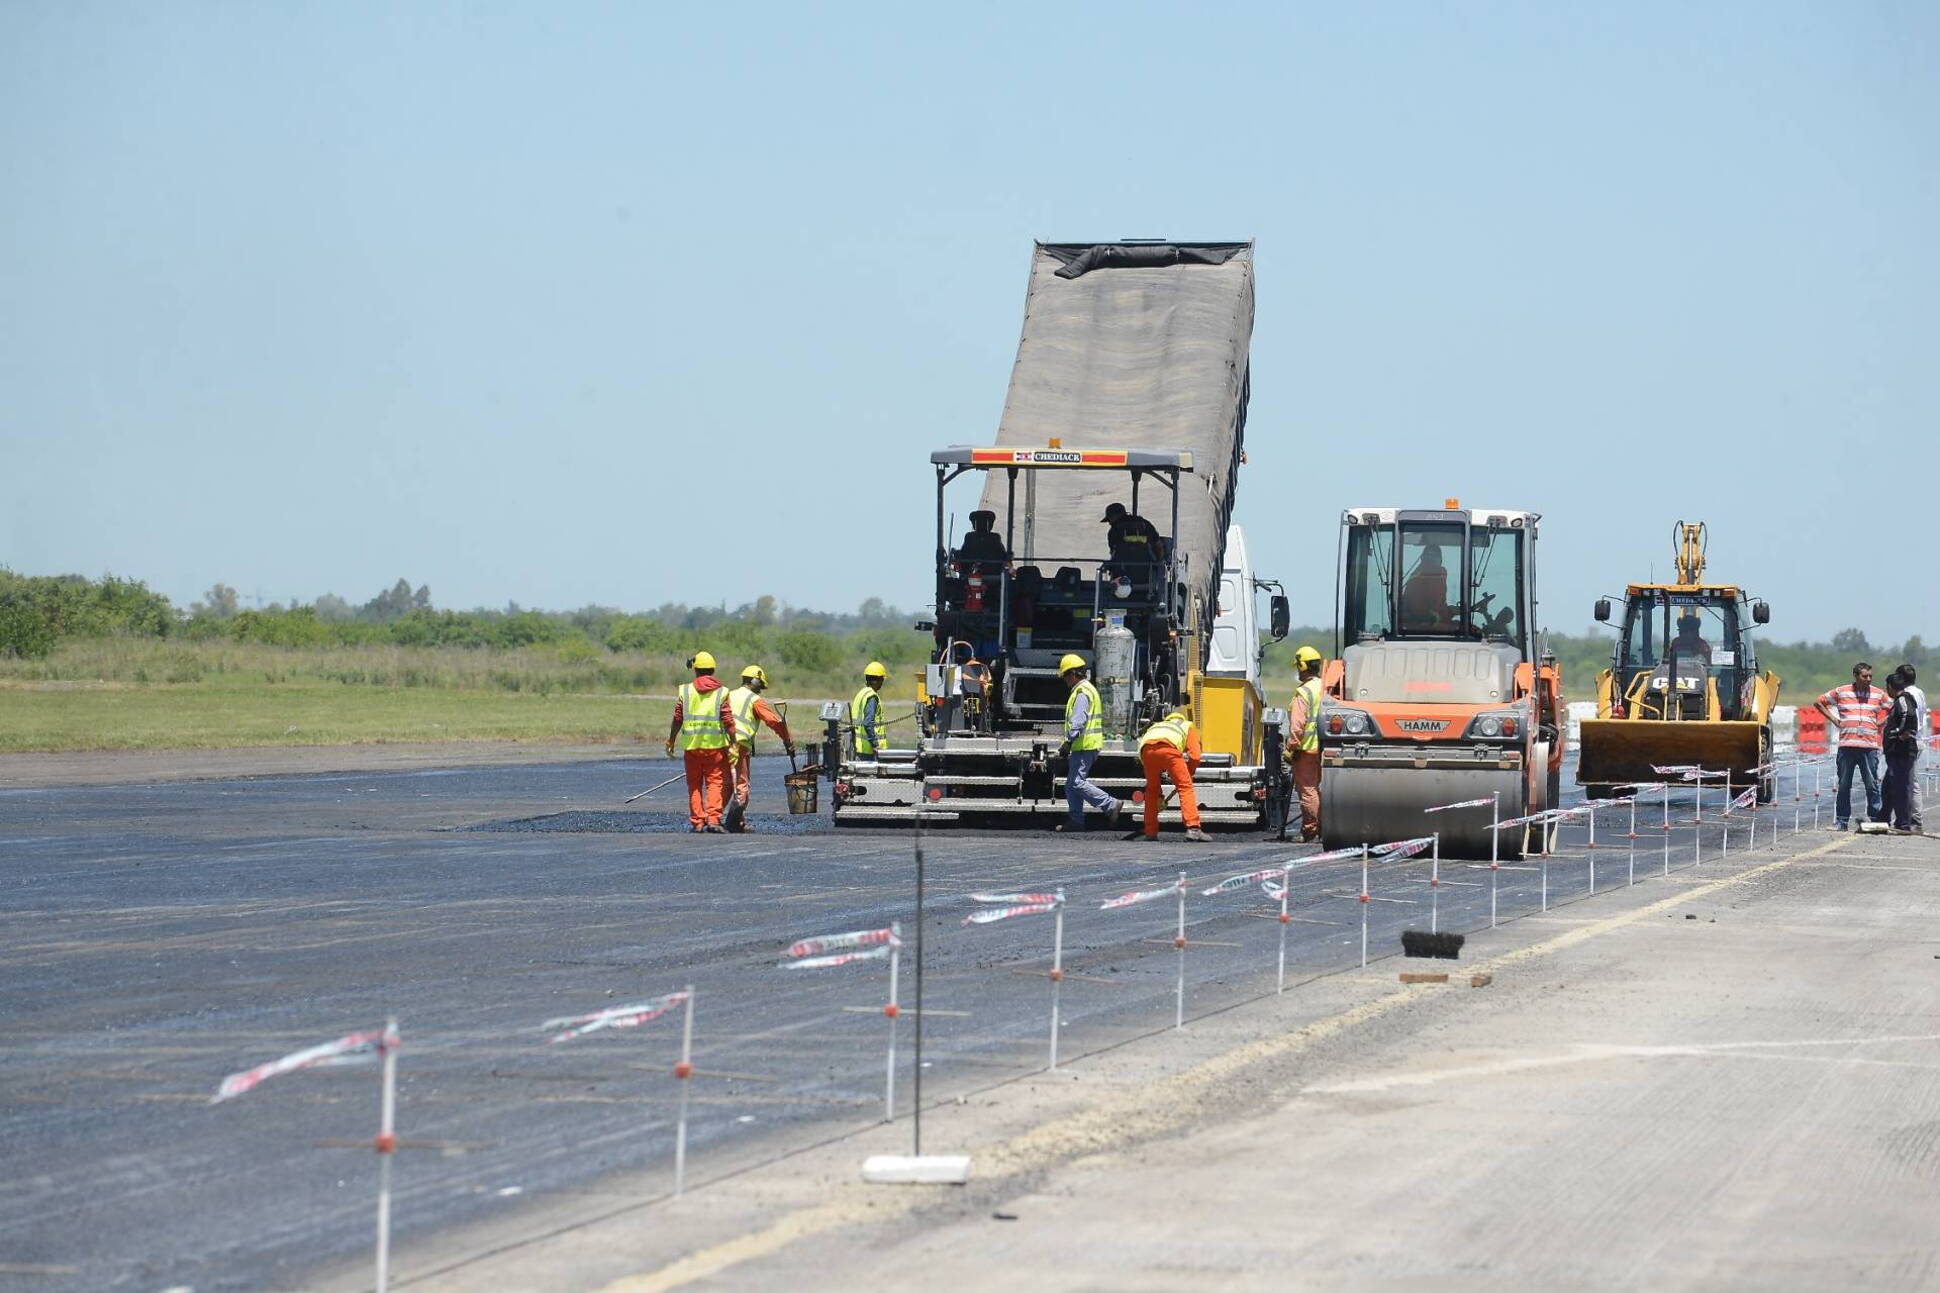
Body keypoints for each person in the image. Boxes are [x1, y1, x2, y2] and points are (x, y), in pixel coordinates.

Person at [665, 650, 737, 833]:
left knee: (694, 785)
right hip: (715, 749)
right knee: (714, 783)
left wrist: (671, 740)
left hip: (692, 747)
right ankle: (713, 819)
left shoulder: (686, 691)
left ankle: (698, 822)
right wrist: (734, 742)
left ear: (695, 670)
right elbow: (728, 720)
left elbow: (677, 718)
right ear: (712, 670)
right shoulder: (722, 692)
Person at [1815, 662, 1891, 829]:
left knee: (1871, 785)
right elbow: (1819, 702)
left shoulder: (1878, 694)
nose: (1868, 679)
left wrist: (1880, 722)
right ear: (1856, 676)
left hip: (1869, 747)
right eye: (1865, 676)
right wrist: (1835, 719)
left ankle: (1875, 820)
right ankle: (1842, 821)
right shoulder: (1842, 691)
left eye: (1870, 676)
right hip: (1847, 746)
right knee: (1844, 786)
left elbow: (1894, 708)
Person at [1057, 653, 1125, 832]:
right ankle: (1076, 820)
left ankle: (1110, 805)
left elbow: (1079, 721)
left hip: (1084, 745)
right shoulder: (1088, 689)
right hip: (1085, 745)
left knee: (1077, 783)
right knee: (1071, 785)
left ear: (1072, 674)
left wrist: (1068, 742)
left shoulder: (1081, 692)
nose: (1064, 680)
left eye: (1065, 675)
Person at [724, 664, 795, 833]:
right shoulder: (754, 700)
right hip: (739, 744)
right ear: (754, 680)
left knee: (724, 782)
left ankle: (712, 818)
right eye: (760, 686)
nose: (760, 691)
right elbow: (774, 722)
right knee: (742, 784)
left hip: (721, 742)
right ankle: (735, 823)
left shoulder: (728, 695)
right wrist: (788, 741)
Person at [1127, 708, 1210, 842]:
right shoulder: (1187, 726)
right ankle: (1193, 829)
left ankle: (1150, 832)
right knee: (1185, 787)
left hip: (1146, 752)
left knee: (1152, 791)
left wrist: (1160, 794)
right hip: (1169, 749)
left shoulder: (1157, 725)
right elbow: (1195, 756)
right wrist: (1189, 772)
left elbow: (1148, 747)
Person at [1284, 644, 1326, 841]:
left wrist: (1291, 747)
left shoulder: (1304, 693)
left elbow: (1297, 725)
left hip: (1306, 749)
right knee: (1320, 789)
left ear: (1303, 667)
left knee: (1308, 791)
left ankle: (1310, 830)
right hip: (1325, 748)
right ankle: (1324, 827)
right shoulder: (1326, 687)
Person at [1882, 671, 1919, 833]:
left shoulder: (1903, 700)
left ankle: (1903, 824)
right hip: (1894, 753)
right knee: (1888, 788)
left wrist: (1900, 733)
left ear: (1890, 687)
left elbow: (1908, 716)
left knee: (1902, 788)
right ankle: (1882, 819)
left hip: (1902, 753)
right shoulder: (1899, 701)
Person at [1101, 502, 1166, 592]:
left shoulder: (1113, 531)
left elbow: (1114, 554)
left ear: (1116, 516)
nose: (1109, 523)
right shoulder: (1145, 524)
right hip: (1149, 576)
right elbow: (1159, 546)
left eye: (1110, 519)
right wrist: (1159, 563)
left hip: (1122, 578)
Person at [1895, 664, 1927, 831]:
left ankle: (1915, 821)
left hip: (1910, 741)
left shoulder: (1907, 695)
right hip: (1919, 739)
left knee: (1910, 782)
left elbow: (1909, 718)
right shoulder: (1919, 692)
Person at [1400, 546, 1450, 630]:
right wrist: (1450, 612)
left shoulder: (1416, 574)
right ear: (1439, 559)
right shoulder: (1438, 572)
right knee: (1472, 630)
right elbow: (1434, 608)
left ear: (1422, 558)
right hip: (1428, 625)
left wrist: (1450, 610)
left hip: (1410, 626)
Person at [851, 661, 890, 759]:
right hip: (869, 751)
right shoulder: (872, 697)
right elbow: (868, 723)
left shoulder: (861, 693)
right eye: (882, 680)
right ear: (878, 680)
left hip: (859, 747)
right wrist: (875, 745)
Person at [954, 510, 1010, 575]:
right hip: (975, 574)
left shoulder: (994, 537)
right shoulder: (970, 537)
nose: (982, 524)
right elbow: (1003, 555)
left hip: (991, 575)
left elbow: (1003, 556)